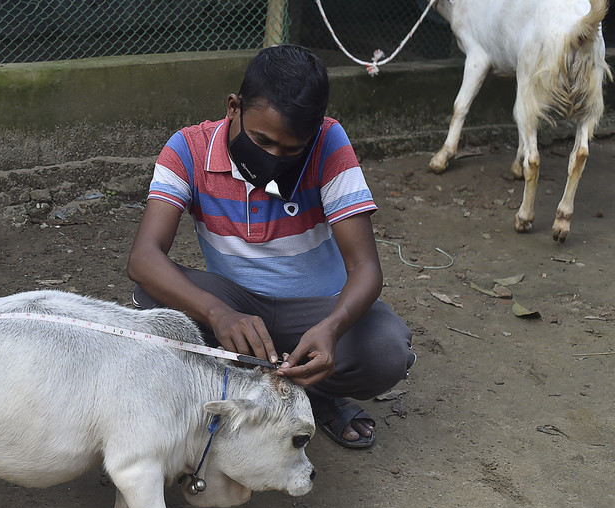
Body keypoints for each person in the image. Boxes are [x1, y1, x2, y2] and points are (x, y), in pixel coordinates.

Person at [127, 45, 414, 449]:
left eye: (291, 149)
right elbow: (143, 258)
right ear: (233, 107)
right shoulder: (187, 150)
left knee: (385, 350)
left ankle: (317, 394)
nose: (273, 157)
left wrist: (330, 329)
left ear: (313, 133)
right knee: (150, 298)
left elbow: (366, 267)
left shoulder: (329, 142)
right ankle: (243, 386)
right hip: (236, 305)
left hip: (316, 309)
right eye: (262, 139)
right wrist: (219, 313)